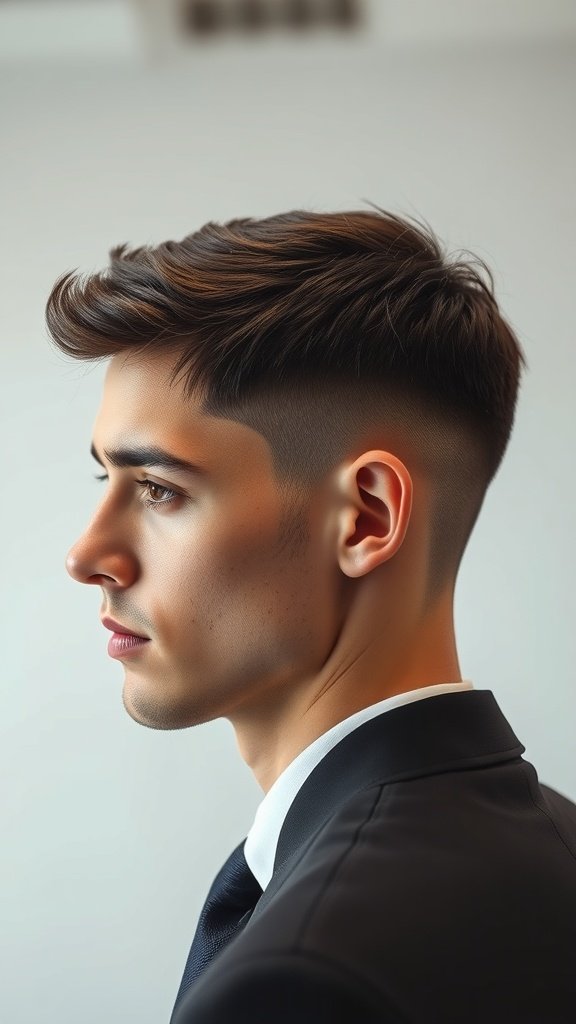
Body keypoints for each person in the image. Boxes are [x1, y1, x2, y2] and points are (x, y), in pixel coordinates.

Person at [45, 208, 576, 1023]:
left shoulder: (303, 980)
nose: (87, 556)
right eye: (103, 482)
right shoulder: (555, 843)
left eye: (159, 490)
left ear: (365, 518)